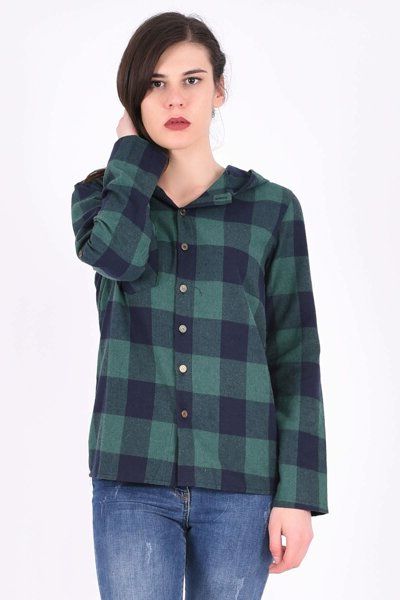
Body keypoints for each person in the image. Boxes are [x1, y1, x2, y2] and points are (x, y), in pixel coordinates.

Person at [70, 10, 329, 600]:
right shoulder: (102, 201)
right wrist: (130, 155)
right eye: (154, 84)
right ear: (133, 98)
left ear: (219, 90)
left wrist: (297, 495)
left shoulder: (271, 209)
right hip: (130, 477)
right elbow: (118, 257)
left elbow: (295, 356)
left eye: (192, 79)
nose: (175, 99)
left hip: (241, 481)